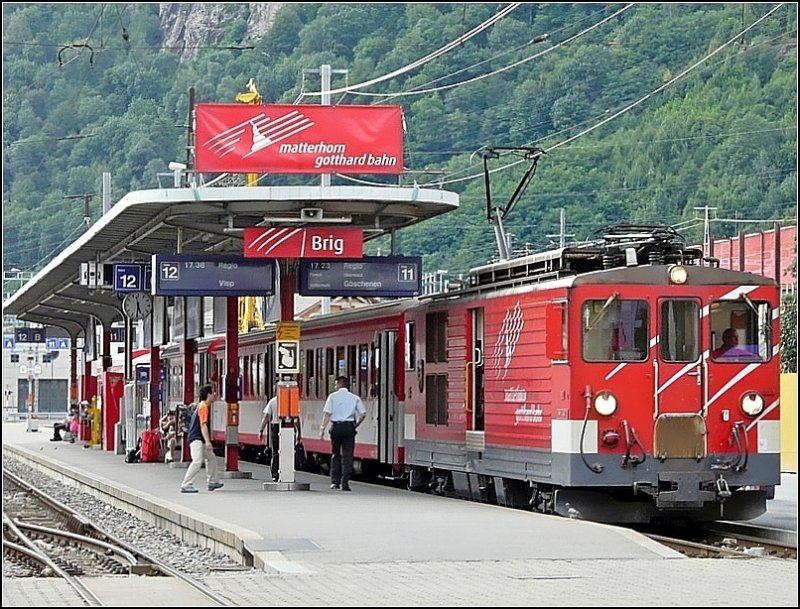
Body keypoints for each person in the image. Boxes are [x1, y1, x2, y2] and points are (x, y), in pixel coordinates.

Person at [319, 376, 366, 491]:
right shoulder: (354, 398)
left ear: (339, 384)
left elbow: (327, 414)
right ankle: (345, 483)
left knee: (336, 454)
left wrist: (322, 429)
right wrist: (356, 425)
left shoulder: (333, 397)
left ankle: (335, 482)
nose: (335, 387)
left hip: (336, 427)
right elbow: (363, 414)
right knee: (348, 456)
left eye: (335, 384)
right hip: (349, 428)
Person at [180, 384, 223, 493]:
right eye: (213, 393)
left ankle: (212, 481)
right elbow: (203, 425)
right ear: (208, 394)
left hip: (199, 439)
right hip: (196, 439)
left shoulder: (202, 405)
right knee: (197, 460)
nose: (215, 395)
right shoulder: (203, 406)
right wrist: (208, 441)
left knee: (211, 458)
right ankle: (186, 483)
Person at [259, 395, 280, 481]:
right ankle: (286, 473)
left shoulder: (273, 401)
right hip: (287, 427)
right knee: (286, 452)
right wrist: (299, 432)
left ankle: (275, 474)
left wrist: (261, 430)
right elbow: (296, 418)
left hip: (275, 426)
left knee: (275, 452)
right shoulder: (290, 399)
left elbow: (266, 417)